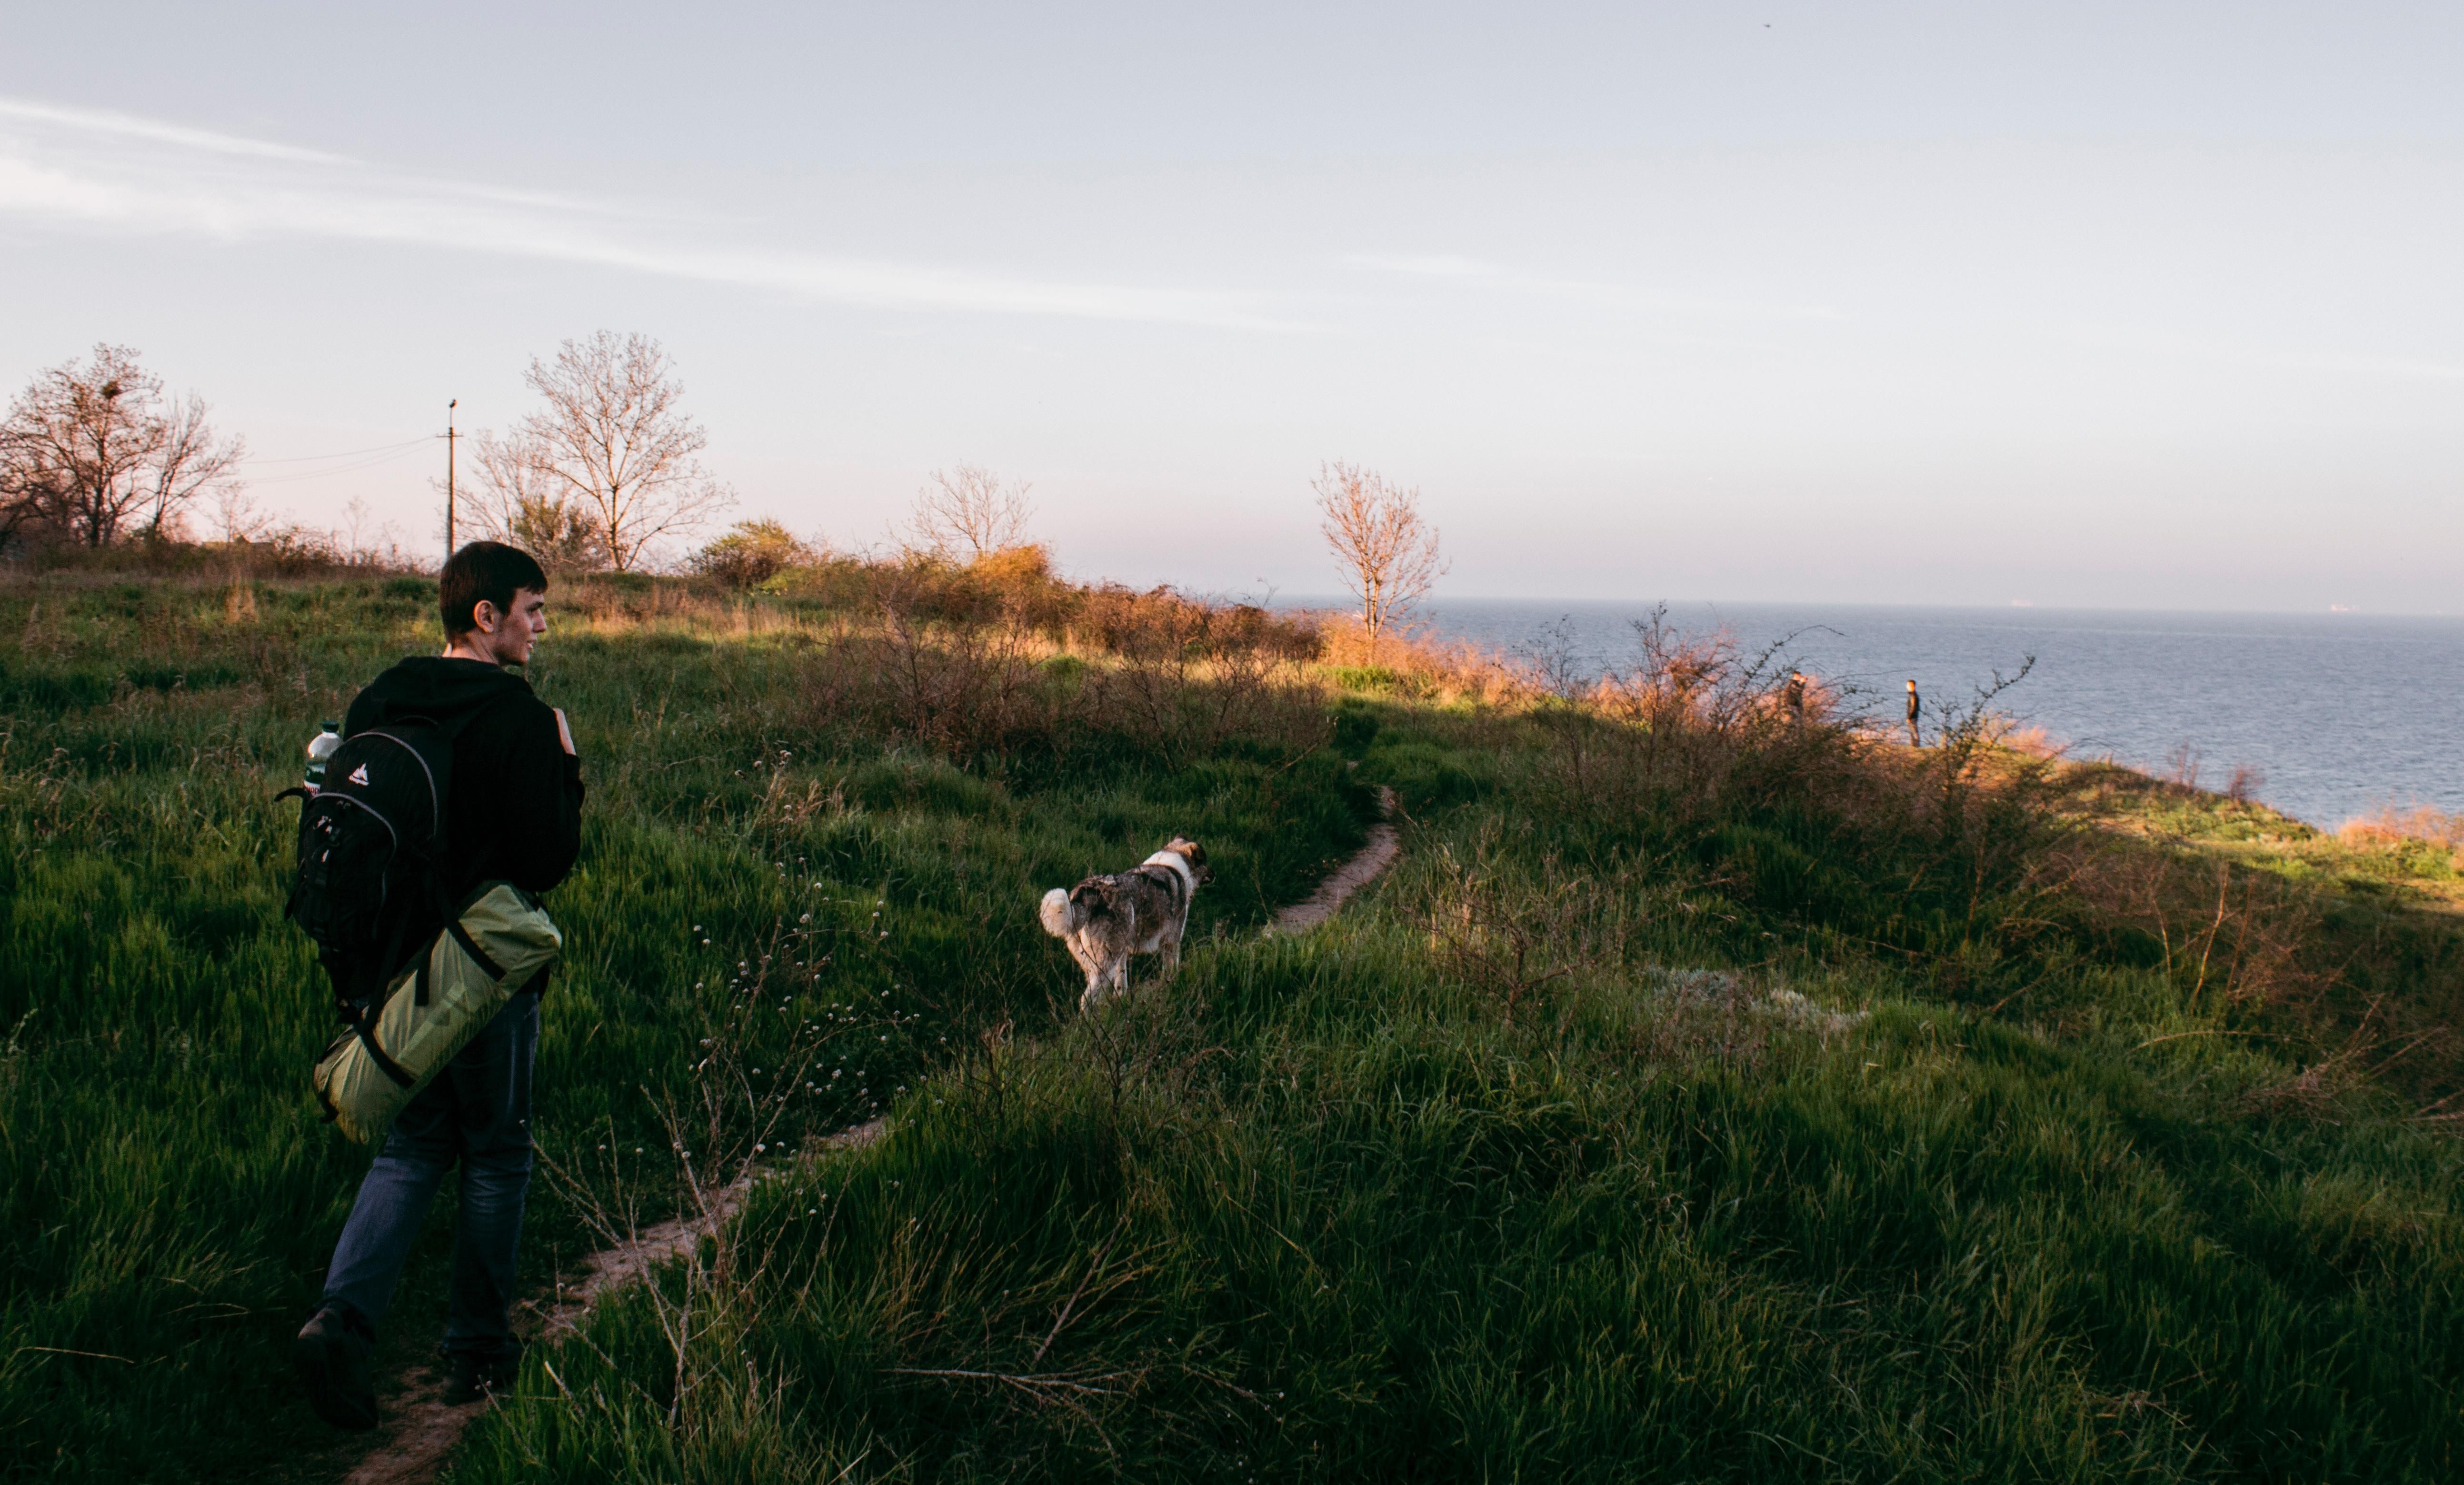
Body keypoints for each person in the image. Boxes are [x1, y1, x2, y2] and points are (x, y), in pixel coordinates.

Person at [293, 542, 583, 1430]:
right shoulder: (520, 718)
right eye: (532, 608)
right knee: (496, 1152)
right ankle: (478, 1351)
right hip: (481, 973)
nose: (541, 626)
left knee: (414, 1145)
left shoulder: (381, 695)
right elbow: (547, 861)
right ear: (486, 616)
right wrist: (567, 768)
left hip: (391, 972)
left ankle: (341, 1319)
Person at [1905, 678, 1922, 747]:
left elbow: (1913, 707)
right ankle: (1914, 746)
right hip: (1913, 717)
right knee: (1912, 733)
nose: (1907, 687)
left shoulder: (1913, 696)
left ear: (1913, 686)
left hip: (1913, 718)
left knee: (1914, 732)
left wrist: (1909, 717)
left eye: (1909, 685)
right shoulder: (1912, 695)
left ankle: (1916, 746)